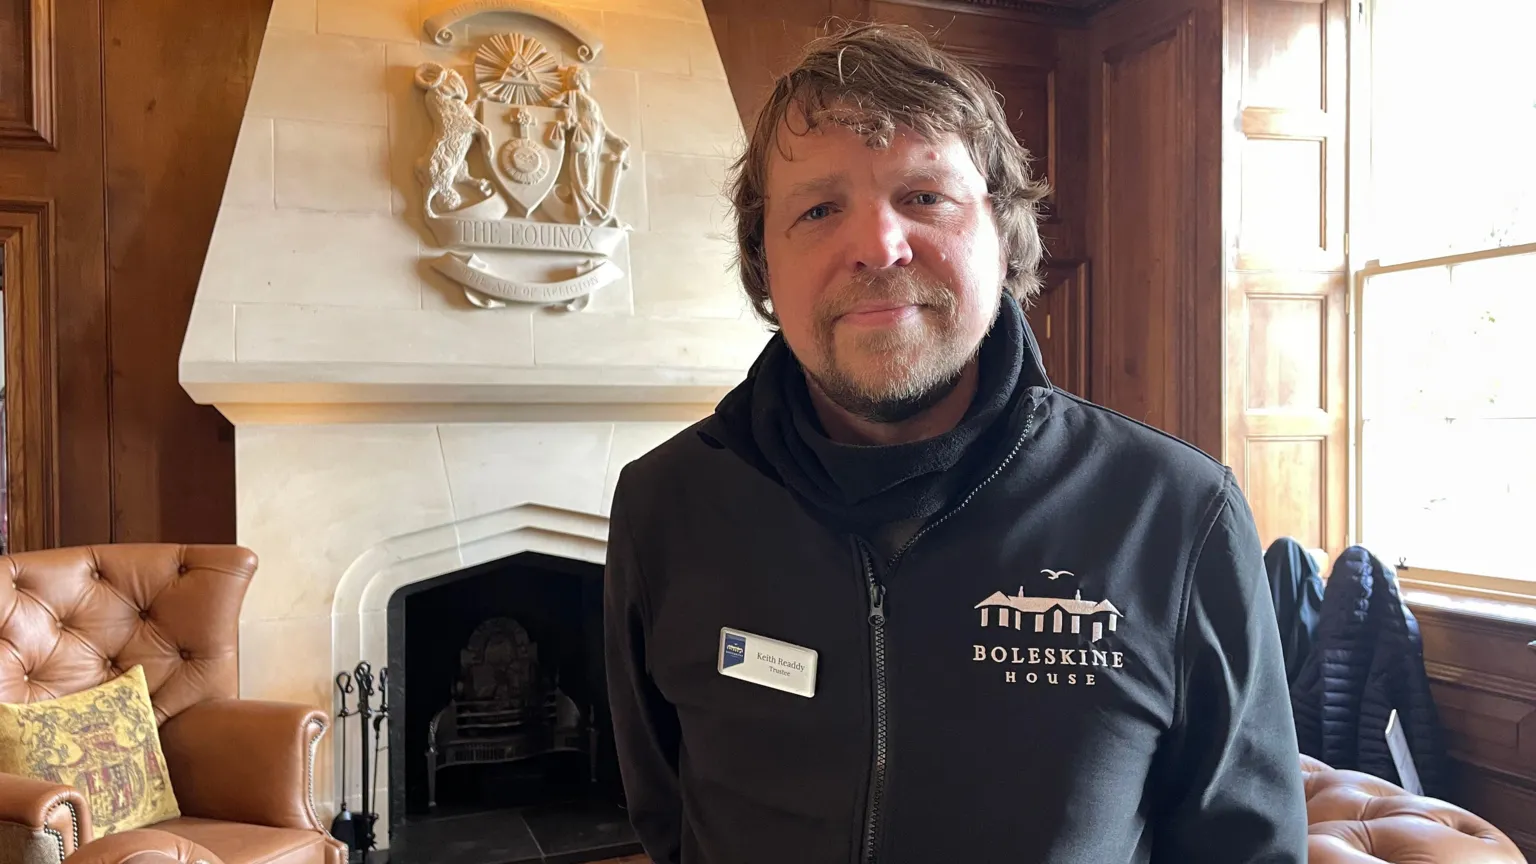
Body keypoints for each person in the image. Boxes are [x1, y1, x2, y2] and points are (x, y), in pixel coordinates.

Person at [602, 21, 1307, 864]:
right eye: (820, 209)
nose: (876, 245)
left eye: (925, 196)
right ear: (764, 264)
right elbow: (666, 819)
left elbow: (1247, 851)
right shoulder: (665, 507)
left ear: (1003, 234)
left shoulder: (1174, 513)